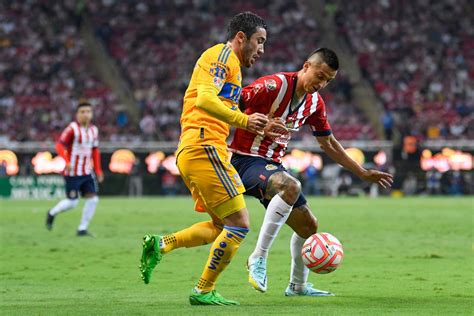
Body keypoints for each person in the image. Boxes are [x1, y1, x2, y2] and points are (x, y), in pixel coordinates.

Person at [229, 48, 394, 296]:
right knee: (291, 186)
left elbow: (328, 143)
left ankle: (298, 286)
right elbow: (226, 105)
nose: (321, 84)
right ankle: (258, 258)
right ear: (306, 66)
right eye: (319, 75)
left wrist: (362, 172)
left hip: (272, 165)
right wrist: (260, 122)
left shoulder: (315, 103)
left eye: (328, 80)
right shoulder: (274, 85)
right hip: (245, 160)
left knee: (308, 227)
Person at [139, 12, 270, 305]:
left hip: (199, 147)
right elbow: (205, 100)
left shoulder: (231, 64)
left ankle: (160, 245)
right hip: (204, 146)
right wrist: (245, 121)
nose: (262, 49)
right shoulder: (222, 56)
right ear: (241, 38)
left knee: (221, 226)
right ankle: (202, 290)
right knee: (239, 225)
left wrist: (248, 122)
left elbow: (216, 105)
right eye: (259, 41)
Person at [45, 101, 104, 236]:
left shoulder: (94, 130)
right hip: (72, 173)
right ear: (77, 114)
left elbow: (95, 151)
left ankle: (82, 228)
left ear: (92, 114)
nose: (86, 114)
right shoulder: (72, 129)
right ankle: (51, 213)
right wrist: (66, 161)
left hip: (86, 172)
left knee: (93, 199)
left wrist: (98, 170)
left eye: (88, 112)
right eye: (82, 112)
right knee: (72, 203)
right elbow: (59, 145)